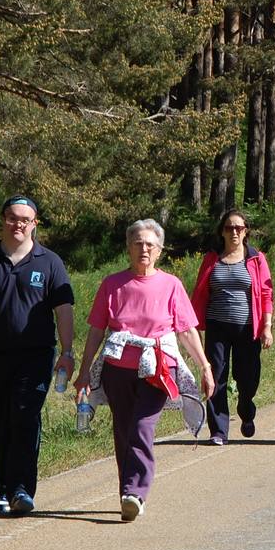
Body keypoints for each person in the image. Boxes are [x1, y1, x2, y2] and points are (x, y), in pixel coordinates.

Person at [75, 219, 214, 522]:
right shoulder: (113, 284)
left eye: (150, 244)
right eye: (138, 242)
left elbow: (187, 331)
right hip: (118, 368)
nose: (144, 248)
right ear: (128, 247)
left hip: (158, 368)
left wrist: (204, 366)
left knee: (142, 427)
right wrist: (85, 370)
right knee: (124, 430)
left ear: (160, 250)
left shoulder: (171, 284)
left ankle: (136, 492)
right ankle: (128, 490)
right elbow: (97, 330)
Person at [0, 195, 75, 515]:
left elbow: (63, 309)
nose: (18, 223)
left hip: (36, 356)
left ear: (34, 223)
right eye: (12, 217)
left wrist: (67, 351)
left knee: (24, 416)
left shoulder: (49, 262)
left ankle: (22, 488)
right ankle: (3, 492)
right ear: (3, 220)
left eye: (25, 219)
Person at [190, 209, 275, 445]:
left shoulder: (256, 258)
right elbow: (200, 290)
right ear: (222, 231)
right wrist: (192, 325)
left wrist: (267, 326)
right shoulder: (211, 259)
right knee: (215, 375)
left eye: (239, 227)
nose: (234, 232)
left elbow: (267, 294)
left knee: (247, 377)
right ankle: (218, 431)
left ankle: (246, 409)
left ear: (245, 231)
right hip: (217, 327)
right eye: (229, 227)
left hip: (248, 327)